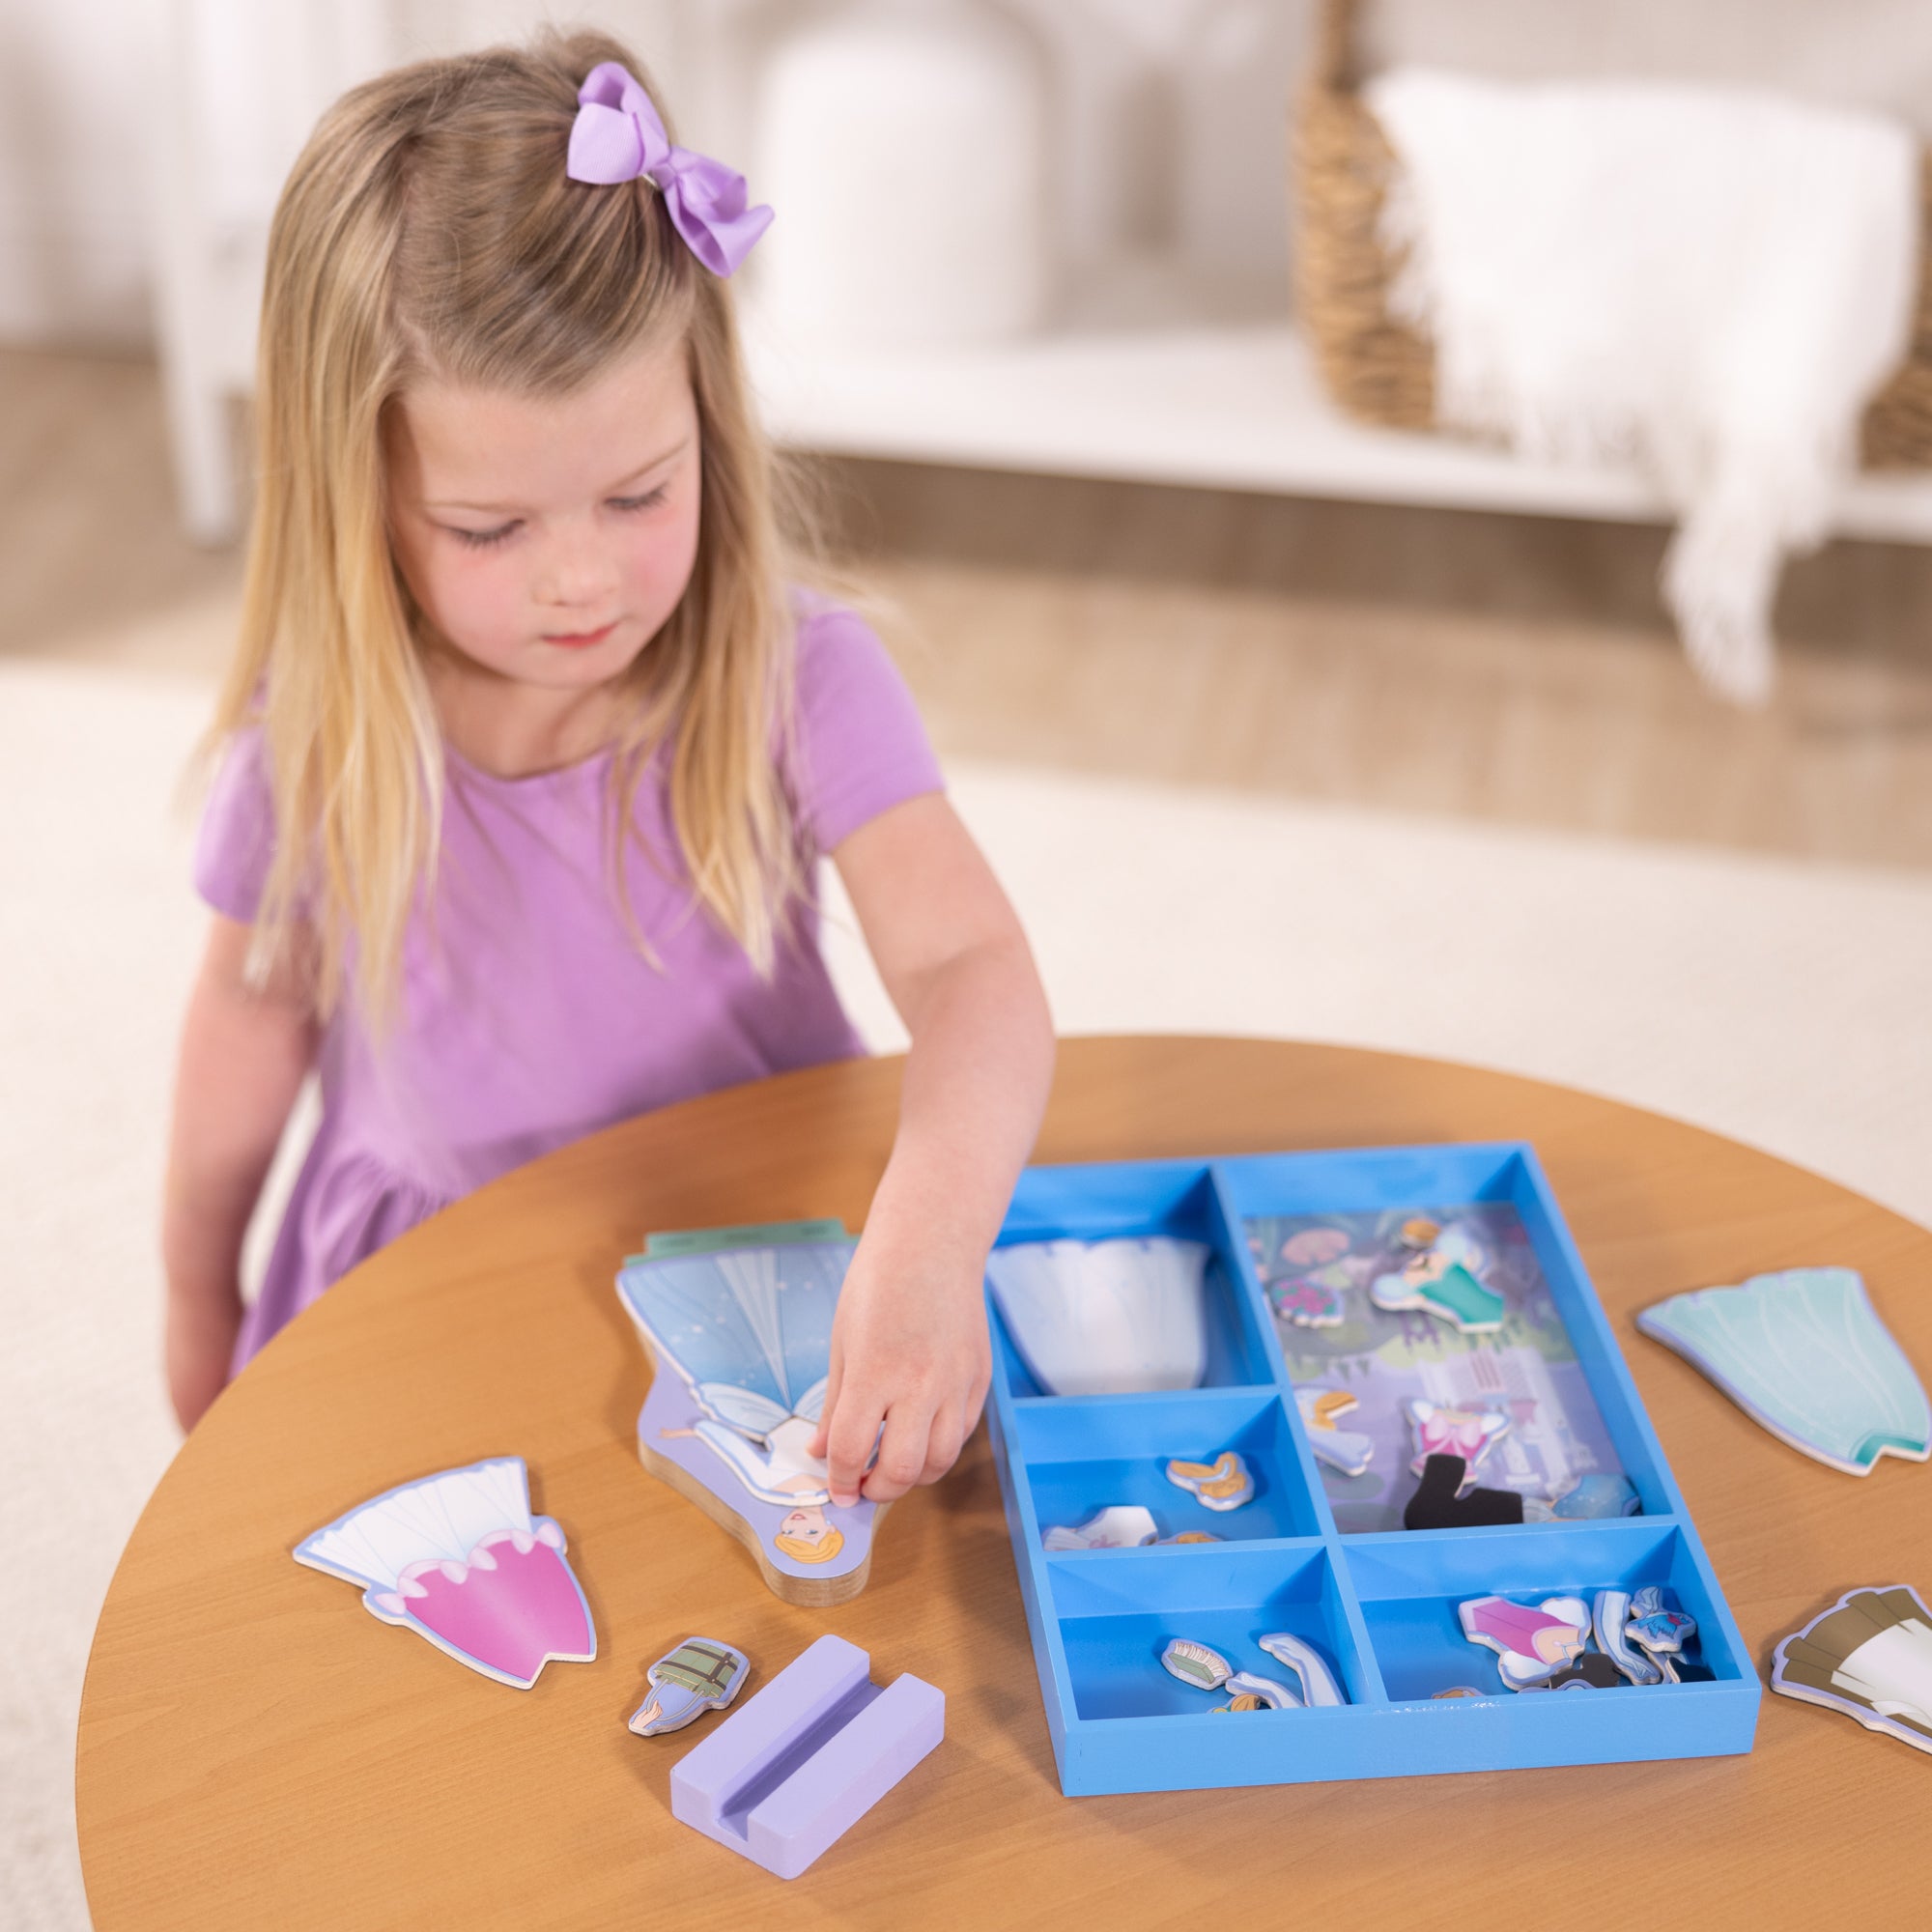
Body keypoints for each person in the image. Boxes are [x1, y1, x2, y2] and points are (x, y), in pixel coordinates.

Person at [161, 31, 1055, 1520]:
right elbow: (250, 1014)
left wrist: (928, 1246)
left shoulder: (800, 677)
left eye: (638, 495)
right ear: (359, 496)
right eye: (491, 529)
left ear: (706, 420)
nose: (581, 580)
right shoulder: (315, 743)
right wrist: (198, 1291)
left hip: (764, 1273)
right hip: (436, 1282)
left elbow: (972, 967)